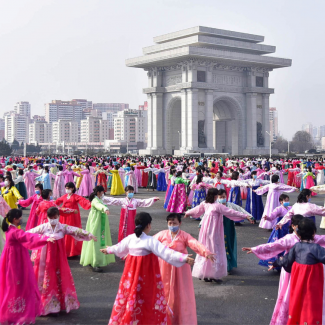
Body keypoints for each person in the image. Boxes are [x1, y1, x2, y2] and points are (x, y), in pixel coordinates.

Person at [100, 212, 195, 325]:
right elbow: (166, 253)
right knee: (149, 299)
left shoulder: (130, 238)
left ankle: (130, 320)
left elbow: (118, 248)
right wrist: (183, 258)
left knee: (131, 297)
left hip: (131, 278)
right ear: (149, 225)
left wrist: (109, 250)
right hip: (147, 278)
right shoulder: (150, 241)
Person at [27, 207, 97, 315]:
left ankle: (59, 304)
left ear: (59, 217)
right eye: (51, 218)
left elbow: (75, 230)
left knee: (59, 277)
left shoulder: (62, 227)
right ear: (47, 217)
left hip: (59, 258)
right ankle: (47, 305)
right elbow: (28, 233)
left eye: (55, 217)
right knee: (47, 278)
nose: (53, 220)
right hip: (46, 259)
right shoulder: (44, 227)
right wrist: (43, 239)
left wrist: (89, 234)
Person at [154, 213, 215, 325]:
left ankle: (181, 320)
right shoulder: (162, 235)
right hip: (164, 269)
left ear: (180, 223)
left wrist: (206, 252)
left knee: (180, 294)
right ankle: (164, 319)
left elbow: (194, 243)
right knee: (164, 294)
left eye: (175, 223)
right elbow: (149, 244)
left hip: (180, 270)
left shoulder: (184, 236)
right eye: (170, 223)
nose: (172, 225)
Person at [185, 188, 253, 282]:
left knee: (208, 248)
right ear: (214, 196)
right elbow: (197, 210)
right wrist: (188, 213)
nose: (218, 197)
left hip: (208, 231)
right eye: (217, 195)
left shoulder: (211, 204)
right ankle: (210, 274)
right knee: (213, 249)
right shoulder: (210, 204)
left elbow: (231, 212)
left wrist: (245, 216)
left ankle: (209, 274)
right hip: (212, 232)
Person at [0, 209, 54, 325]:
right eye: (19, 217)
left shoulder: (9, 229)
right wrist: (44, 239)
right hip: (16, 262)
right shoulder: (15, 232)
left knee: (12, 285)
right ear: (15, 219)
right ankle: (18, 313)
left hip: (11, 259)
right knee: (19, 285)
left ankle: (12, 312)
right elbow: (28, 237)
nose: (21, 219)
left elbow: (26, 236)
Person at [272, 218, 325, 325]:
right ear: (314, 232)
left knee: (297, 302)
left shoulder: (296, 247)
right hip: (312, 285)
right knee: (311, 305)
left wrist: (275, 263)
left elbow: (286, 260)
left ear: (298, 234)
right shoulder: (316, 248)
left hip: (298, 283)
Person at [80, 185, 115, 272]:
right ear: (99, 192)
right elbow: (99, 205)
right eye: (102, 192)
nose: (103, 193)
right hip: (96, 224)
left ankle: (92, 260)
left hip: (99, 223)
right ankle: (95, 262)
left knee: (97, 240)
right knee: (95, 241)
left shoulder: (99, 199)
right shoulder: (95, 200)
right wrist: (105, 208)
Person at [55, 182, 91, 257]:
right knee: (64, 230)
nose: (67, 190)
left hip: (73, 216)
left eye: (69, 188)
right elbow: (56, 202)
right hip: (64, 216)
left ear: (73, 188)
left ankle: (73, 251)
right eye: (66, 188)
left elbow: (84, 201)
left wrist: (92, 203)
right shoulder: (64, 196)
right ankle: (64, 250)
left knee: (72, 231)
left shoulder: (76, 196)